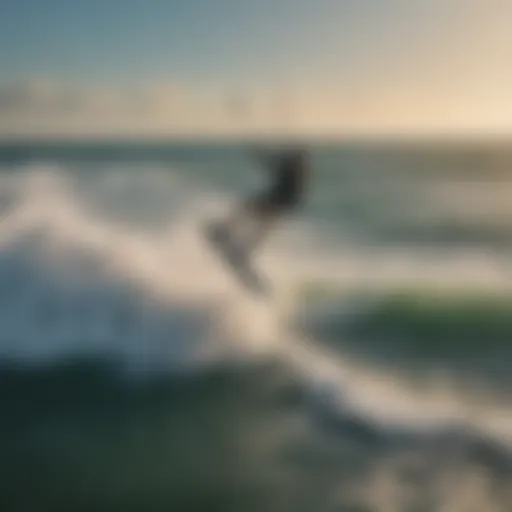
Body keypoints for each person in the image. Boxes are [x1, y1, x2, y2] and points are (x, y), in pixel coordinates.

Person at [209, 146, 309, 258]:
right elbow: (273, 164)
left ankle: (230, 235)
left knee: (257, 217)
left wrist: (260, 156)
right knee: (256, 216)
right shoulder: (293, 168)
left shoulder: (293, 169)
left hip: (280, 199)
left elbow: (274, 165)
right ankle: (230, 235)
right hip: (280, 198)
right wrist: (260, 156)